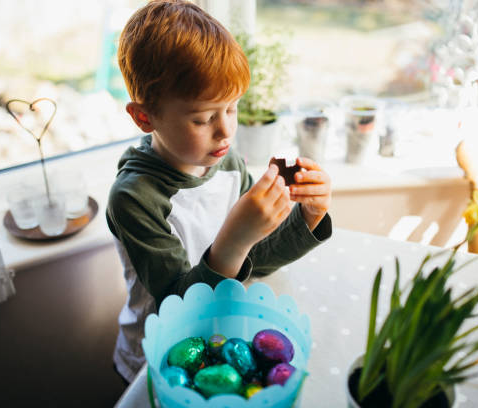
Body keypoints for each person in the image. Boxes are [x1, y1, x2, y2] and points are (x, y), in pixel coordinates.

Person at [106, 0, 332, 384]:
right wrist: (234, 240)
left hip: (221, 340)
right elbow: (177, 305)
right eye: (204, 118)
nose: (226, 130)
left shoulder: (226, 163)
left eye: (232, 108)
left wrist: (308, 217)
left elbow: (254, 260)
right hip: (161, 360)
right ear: (145, 117)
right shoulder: (135, 198)